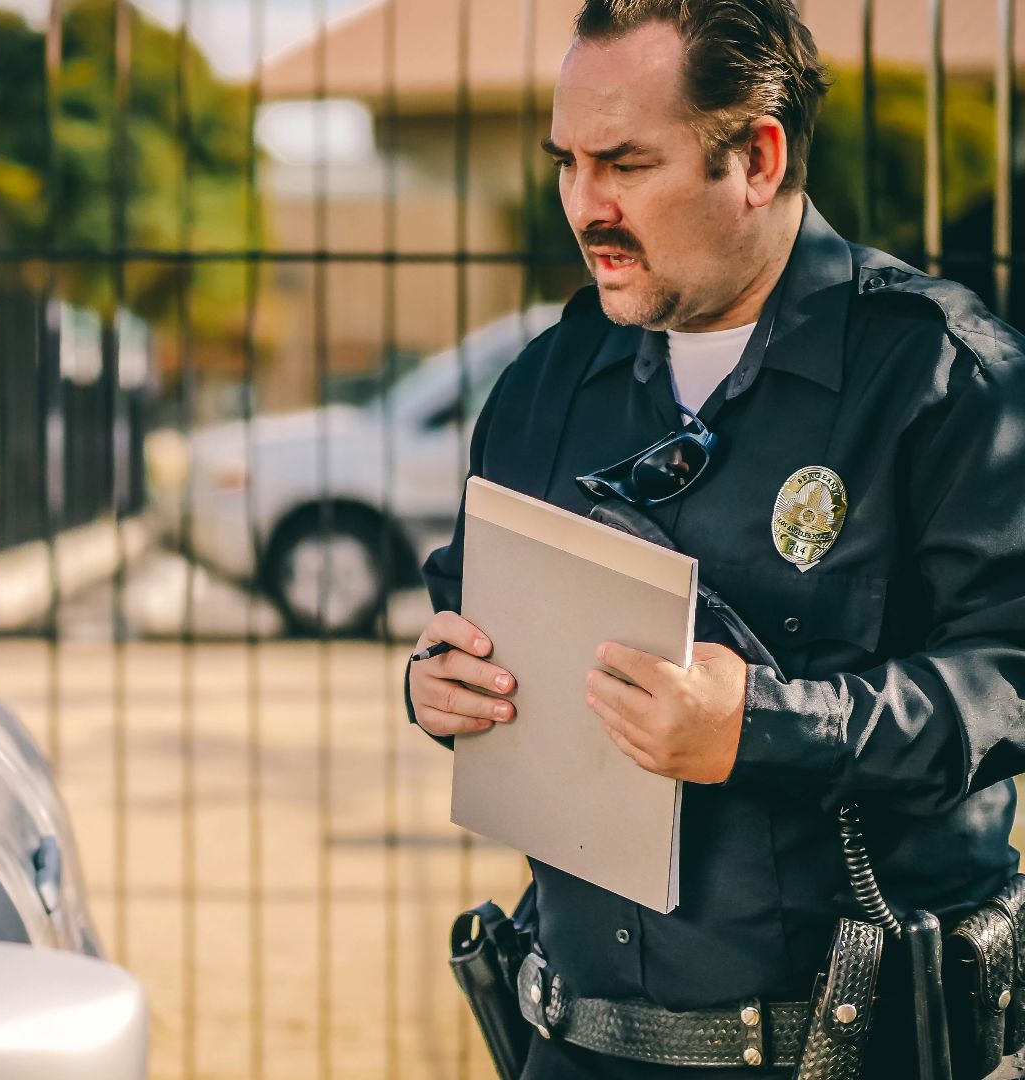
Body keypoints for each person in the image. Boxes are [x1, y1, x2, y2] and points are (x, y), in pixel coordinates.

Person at [409, 2, 1025, 1077]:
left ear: (756, 157)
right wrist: (436, 688)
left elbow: (1010, 673)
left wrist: (763, 728)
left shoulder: (941, 379)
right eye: (567, 162)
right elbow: (467, 615)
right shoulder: (545, 386)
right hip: (574, 1044)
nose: (584, 204)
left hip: (849, 1053)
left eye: (626, 163)